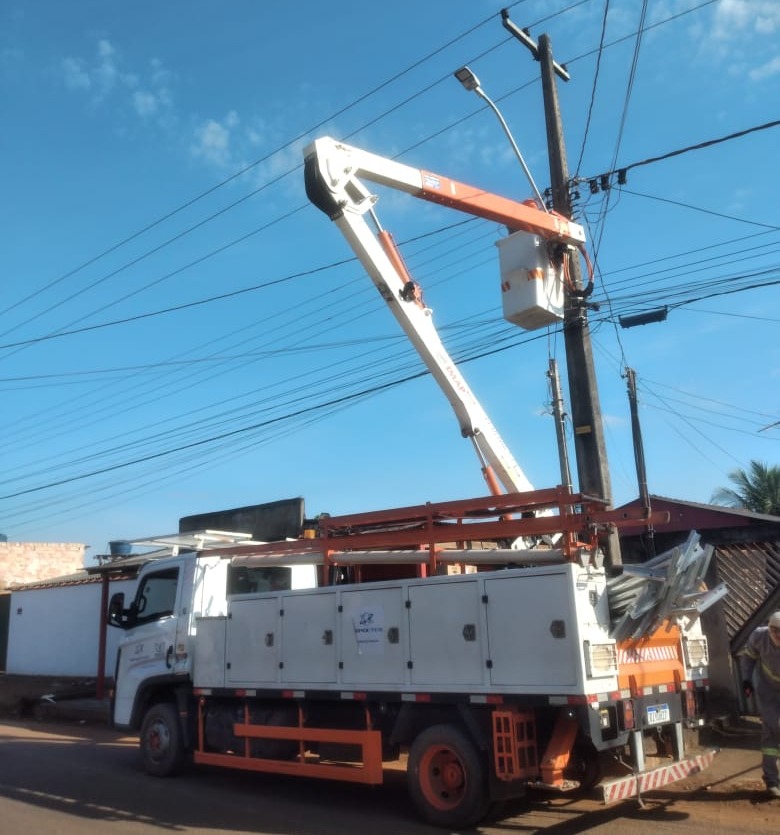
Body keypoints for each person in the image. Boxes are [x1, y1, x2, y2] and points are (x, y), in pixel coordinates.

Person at [740, 610, 780, 798]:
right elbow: (749, 658)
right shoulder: (758, 636)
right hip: (768, 690)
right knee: (771, 729)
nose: (779, 636)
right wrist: (746, 680)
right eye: (776, 631)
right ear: (770, 630)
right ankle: (771, 780)